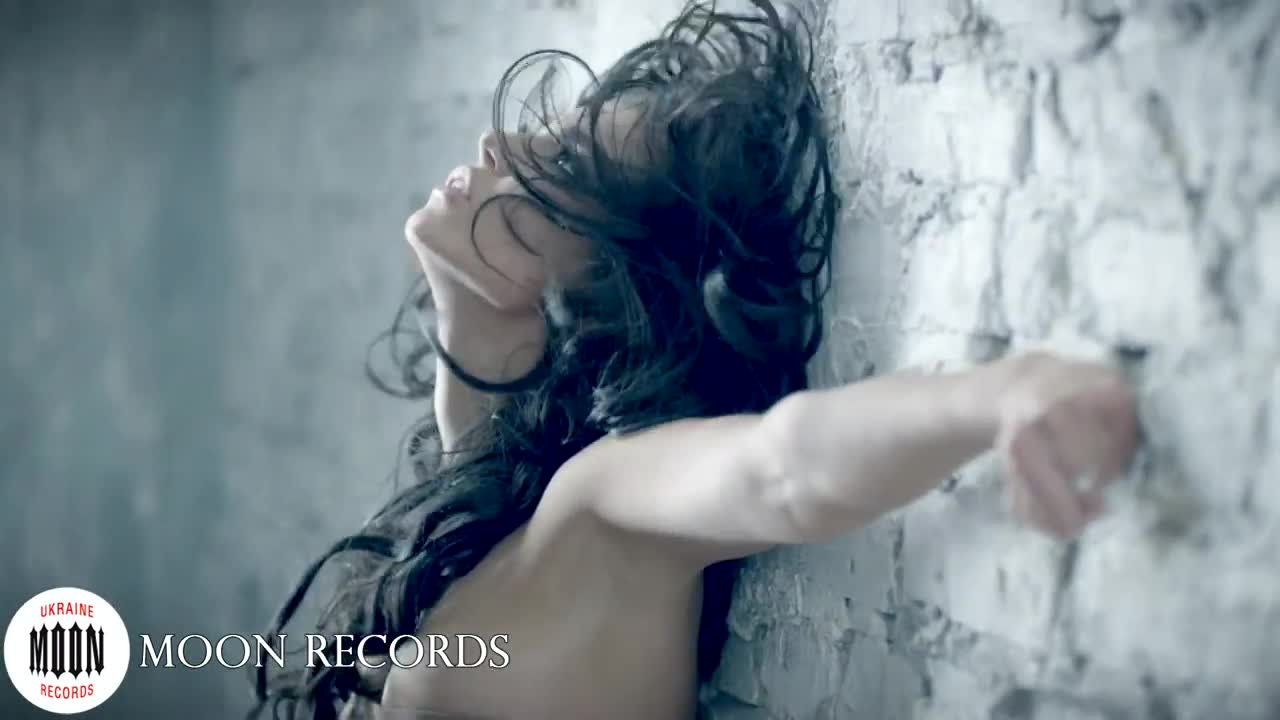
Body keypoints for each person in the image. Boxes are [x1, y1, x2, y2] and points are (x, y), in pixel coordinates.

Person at [249, 1, 1139, 718]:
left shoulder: (600, 498)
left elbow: (781, 467)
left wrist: (1003, 393)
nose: (498, 144)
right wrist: (480, 290)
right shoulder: (506, 497)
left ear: (613, 293)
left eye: (561, 163)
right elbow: (477, 391)